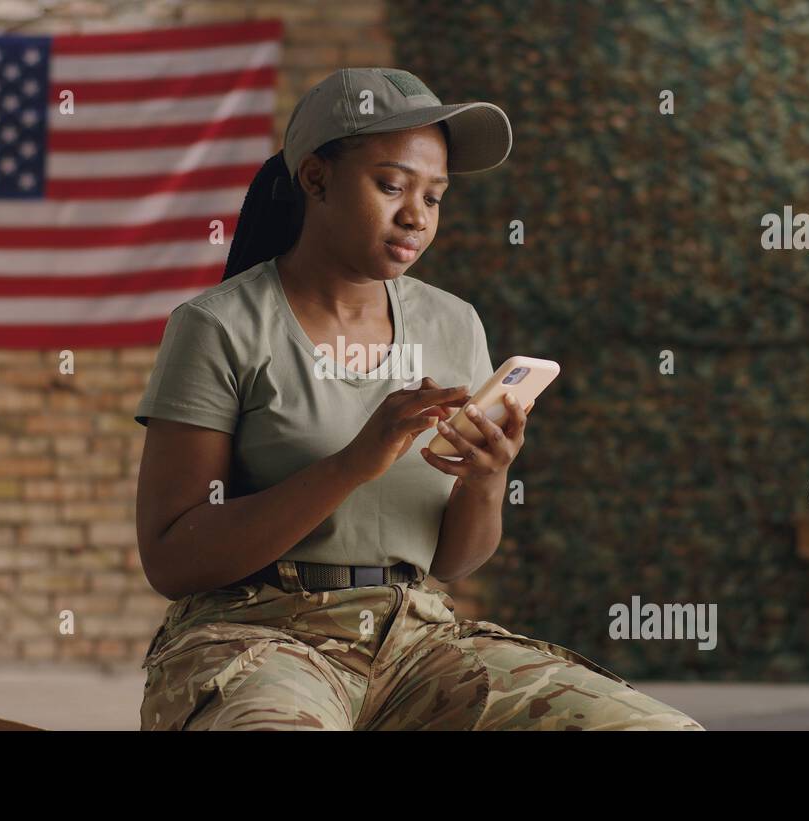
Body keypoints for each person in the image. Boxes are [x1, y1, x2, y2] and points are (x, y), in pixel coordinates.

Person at [133, 67, 704, 730]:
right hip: (258, 636)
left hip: (415, 641)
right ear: (316, 178)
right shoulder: (220, 326)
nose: (416, 215)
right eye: (392, 185)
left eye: (434, 196)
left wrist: (488, 479)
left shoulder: (451, 324)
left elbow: (455, 560)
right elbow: (173, 557)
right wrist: (352, 463)